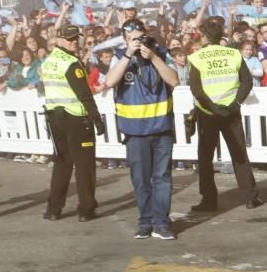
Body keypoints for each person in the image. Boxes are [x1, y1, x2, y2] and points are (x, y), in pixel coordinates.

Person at [102, 18, 179, 240]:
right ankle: (145, 222)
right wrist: (128, 55)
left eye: (140, 37)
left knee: (162, 179)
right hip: (135, 132)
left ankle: (162, 223)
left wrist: (153, 57)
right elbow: (109, 81)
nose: (138, 42)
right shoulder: (119, 58)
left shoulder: (161, 54)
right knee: (141, 180)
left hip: (161, 129)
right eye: (132, 39)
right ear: (125, 40)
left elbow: (173, 80)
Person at [188, 19, 264, 211]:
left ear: (205, 37)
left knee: (205, 158)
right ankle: (251, 197)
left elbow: (197, 91)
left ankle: (209, 200)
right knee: (239, 154)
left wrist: (214, 107)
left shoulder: (196, 57)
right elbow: (247, 83)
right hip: (232, 111)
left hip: (208, 112)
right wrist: (236, 103)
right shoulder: (233, 54)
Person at [40, 24, 105, 222]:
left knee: (62, 163)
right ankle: (86, 209)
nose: (74, 42)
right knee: (84, 166)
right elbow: (84, 94)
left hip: (55, 117)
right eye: (69, 39)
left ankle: (54, 209)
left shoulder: (49, 61)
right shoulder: (71, 63)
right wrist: (97, 119)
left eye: (76, 38)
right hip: (76, 118)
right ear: (58, 40)